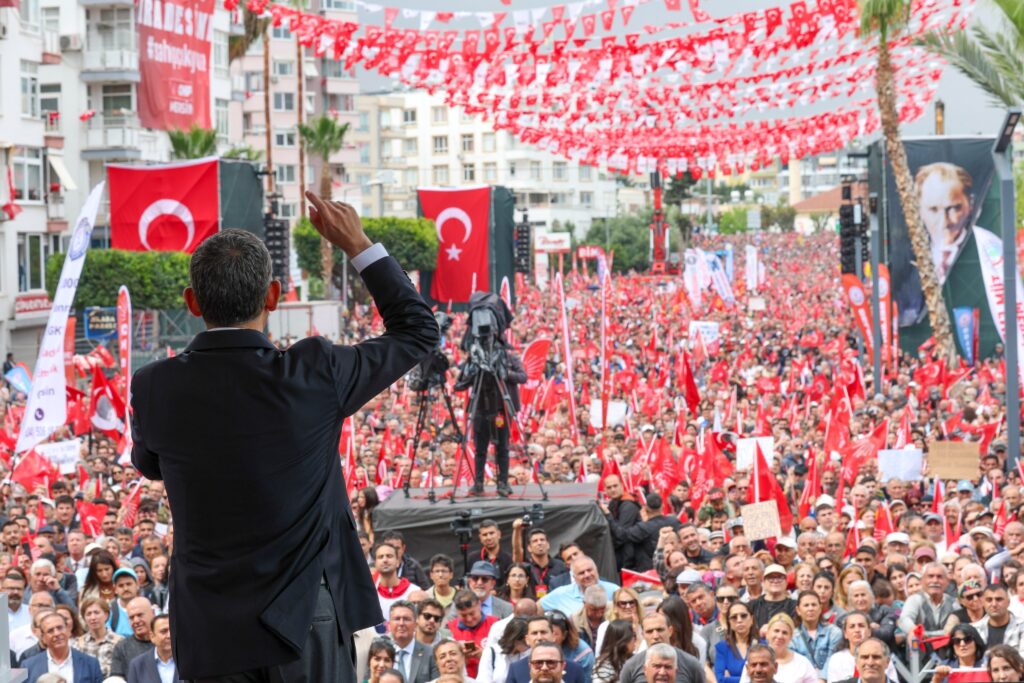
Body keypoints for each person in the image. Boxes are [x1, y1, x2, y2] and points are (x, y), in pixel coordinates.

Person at [130, 198, 438, 681]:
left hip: (209, 627)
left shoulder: (153, 385)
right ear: (273, 296)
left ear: (192, 302)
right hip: (303, 617)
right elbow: (418, 331)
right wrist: (357, 245)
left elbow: (149, 464)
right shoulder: (315, 372)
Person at [454, 292, 527, 497]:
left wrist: (506, 374)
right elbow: (460, 384)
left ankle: (503, 482)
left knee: (502, 446)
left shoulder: (506, 355)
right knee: (480, 447)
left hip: (500, 410)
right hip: (480, 409)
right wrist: (472, 370)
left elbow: (523, 376)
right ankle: (478, 483)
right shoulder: (474, 357)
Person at [618, 612, 705, 683]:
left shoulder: (691, 664)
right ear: (643, 635)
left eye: (660, 630)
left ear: (670, 631)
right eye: (649, 631)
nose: (655, 636)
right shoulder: (631, 666)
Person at [22, 611, 104, 683]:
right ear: (43, 638)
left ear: (68, 630)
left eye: (60, 628)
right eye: (50, 631)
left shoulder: (90, 664)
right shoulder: (29, 666)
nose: (57, 633)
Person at [823, 611, 897, 683]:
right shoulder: (836, 659)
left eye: (861, 625)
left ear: (869, 631)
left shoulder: (882, 655)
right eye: (852, 626)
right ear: (845, 633)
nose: (857, 630)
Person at [538, 556, 618, 615]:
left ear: (596, 570)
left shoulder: (614, 590)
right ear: (574, 577)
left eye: (589, 570)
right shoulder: (561, 594)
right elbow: (537, 608)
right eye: (581, 573)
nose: (587, 575)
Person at [445, 590, 498, 679]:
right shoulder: (449, 629)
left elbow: (505, 658)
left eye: (472, 613)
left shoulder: (495, 625)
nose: (469, 619)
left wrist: (485, 655)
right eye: (464, 615)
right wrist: (460, 658)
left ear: (479, 605)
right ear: (457, 612)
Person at [789, 590, 841, 676]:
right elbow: (794, 665)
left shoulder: (834, 632)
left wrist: (822, 679)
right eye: (806, 605)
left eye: (814, 605)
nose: (810, 608)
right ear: (798, 610)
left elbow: (832, 660)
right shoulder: (792, 636)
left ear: (820, 608)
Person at [897, 563, 957, 638]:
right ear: (922, 581)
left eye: (939, 577)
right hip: (920, 645)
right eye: (930, 576)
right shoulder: (915, 599)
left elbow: (954, 629)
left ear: (947, 582)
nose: (935, 580)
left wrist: (926, 634)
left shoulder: (953, 602)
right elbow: (904, 620)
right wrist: (916, 631)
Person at [756, 613, 818, 683]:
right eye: (776, 631)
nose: (780, 636)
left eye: (784, 633)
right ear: (767, 634)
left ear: (791, 637)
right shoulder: (755, 660)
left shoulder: (803, 663)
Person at [388, 601, 439, 683]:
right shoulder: (381, 652)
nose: (401, 623)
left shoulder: (430, 654)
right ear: (389, 624)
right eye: (397, 619)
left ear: (415, 624)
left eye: (406, 619)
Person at [107, 597, 155, 679]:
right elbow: (117, 679)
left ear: (153, 613)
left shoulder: (167, 642)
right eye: (131, 617)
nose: (136, 621)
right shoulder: (122, 648)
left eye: (140, 615)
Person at [74, 597, 122, 677]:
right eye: (88, 614)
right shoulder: (78, 644)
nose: (93, 618)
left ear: (106, 615)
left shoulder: (119, 642)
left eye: (96, 613)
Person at [602, 474, 642, 570]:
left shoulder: (628, 505)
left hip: (630, 558)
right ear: (605, 490)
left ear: (621, 486)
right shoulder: (613, 503)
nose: (612, 489)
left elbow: (621, 535)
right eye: (609, 487)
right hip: (622, 555)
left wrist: (607, 514)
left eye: (615, 486)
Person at [125, 614, 180, 682]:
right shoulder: (137, 665)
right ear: (152, 636)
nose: (169, 636)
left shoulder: (188, 661)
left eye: (172, 630)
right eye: (164, 631)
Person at [476, 616, 528, 683]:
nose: (529, 644)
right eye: (525, 641)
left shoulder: (529, 653)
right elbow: (483, 679)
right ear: (516, 639)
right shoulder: (491, 652)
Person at [971, 583, 1024, 648]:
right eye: (989, 600)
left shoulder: (1021, 627)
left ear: (1008, 602)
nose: (994, 604)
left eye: (999, 599)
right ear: (983, 603)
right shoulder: (975, 630)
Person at [715, 601, 757, 683]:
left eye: (743, 616)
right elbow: (721, 680)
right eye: (734, 617)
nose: (739, 620)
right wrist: (751, 679)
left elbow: (767, 678)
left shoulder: (763, 646)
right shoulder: (722, 647)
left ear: (751, 619)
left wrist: (729, 679)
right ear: (729, 622)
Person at [546, 609, 594, 679]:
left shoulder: (583, 653)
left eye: (554, 634)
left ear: (564, 635)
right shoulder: (534, 647)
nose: (549, 638)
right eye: (545, 632)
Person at [592, 619, 636, 683]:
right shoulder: (604, 665)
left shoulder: (636, 659)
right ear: (623, 640)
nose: (635, 639)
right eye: (633, 636)